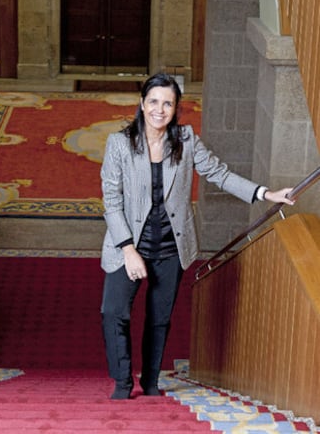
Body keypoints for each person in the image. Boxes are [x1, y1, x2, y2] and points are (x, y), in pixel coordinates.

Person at [100, 72, 295, 400]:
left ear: (176, 109)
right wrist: (128, 249)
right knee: (113, 312)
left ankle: (150, 381)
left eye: (168, 103)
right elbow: (111, 199)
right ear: (142, 104)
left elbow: (219, 173)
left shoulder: (186, 141)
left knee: (159, 318)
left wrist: (265, 193)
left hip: (171, 246)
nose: (160, 110)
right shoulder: (119, 144)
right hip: (128, 243)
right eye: (154, 102)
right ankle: (122, 382)